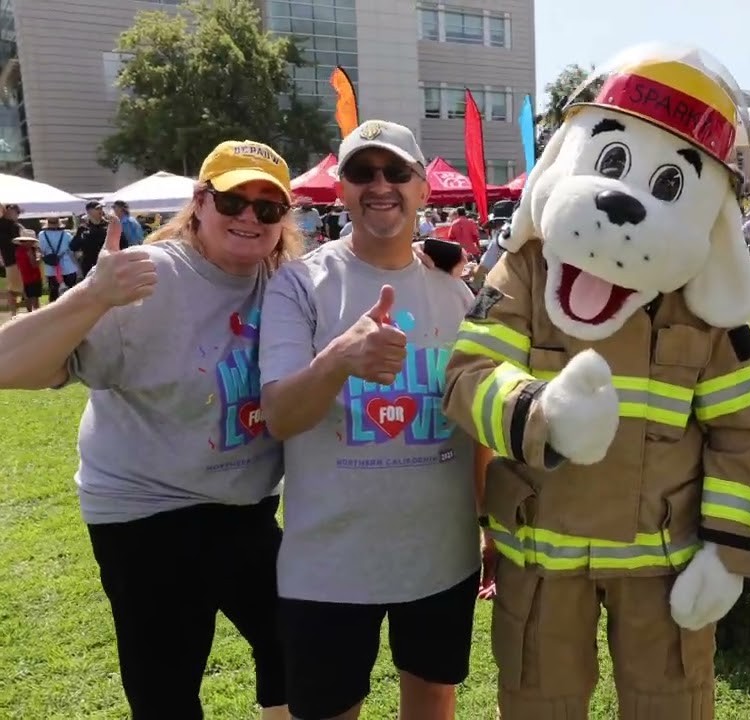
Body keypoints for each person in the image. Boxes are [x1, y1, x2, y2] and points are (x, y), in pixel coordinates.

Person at [0, 140, 301, 720]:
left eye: (267, 209)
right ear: (200, 201)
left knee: (294, 639)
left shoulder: (286, 283)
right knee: (166, 683)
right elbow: (12, 367)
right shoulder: (149, 278)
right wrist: (92, 295)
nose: (249, 217)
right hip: (148, 514)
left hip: (245, 506)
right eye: (234, 199)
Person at [259, 119, 489, 720]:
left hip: (441, 554)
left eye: (396, 172)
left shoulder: (458, 292)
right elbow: (280, 415)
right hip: (330, 565)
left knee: (435, 696)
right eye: (362, 172)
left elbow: (476, 425)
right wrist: (341, 357)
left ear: (422, 189)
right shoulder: (299, 284)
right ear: (342, 189)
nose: (379, 184)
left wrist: (489, 523)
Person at [38, 217, 79, 302]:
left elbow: (42, 249)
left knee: (54, 294)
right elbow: (72, 249)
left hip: (51, 267)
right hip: (68, 266)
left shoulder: (42, 235)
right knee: (71, 293)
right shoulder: (66, 235)